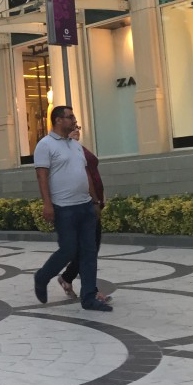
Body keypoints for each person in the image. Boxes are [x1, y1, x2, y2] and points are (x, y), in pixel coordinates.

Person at [32, 106, 111, 312]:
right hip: (63, 208)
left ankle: (89, 297)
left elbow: (85, 174)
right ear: (58, 120)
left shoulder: (75, 145)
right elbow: (41, 176)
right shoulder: (45, 145)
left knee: (89, 252)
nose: (75, 120)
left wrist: (95, 201)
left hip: (85, 206)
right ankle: (42, 276)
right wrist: (47, 204)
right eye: (70, 117)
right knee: (68, 250)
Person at [57, 125, 110, 304]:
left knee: (90, 247)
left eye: (77, 126)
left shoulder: (77, 148)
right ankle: (90, 291)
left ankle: (68, 277)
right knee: (89, 249)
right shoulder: (65, 152)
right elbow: (82, 177)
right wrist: (93, 202)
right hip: (83, 205)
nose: (76, 129)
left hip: (90, 203)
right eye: (72, 126)